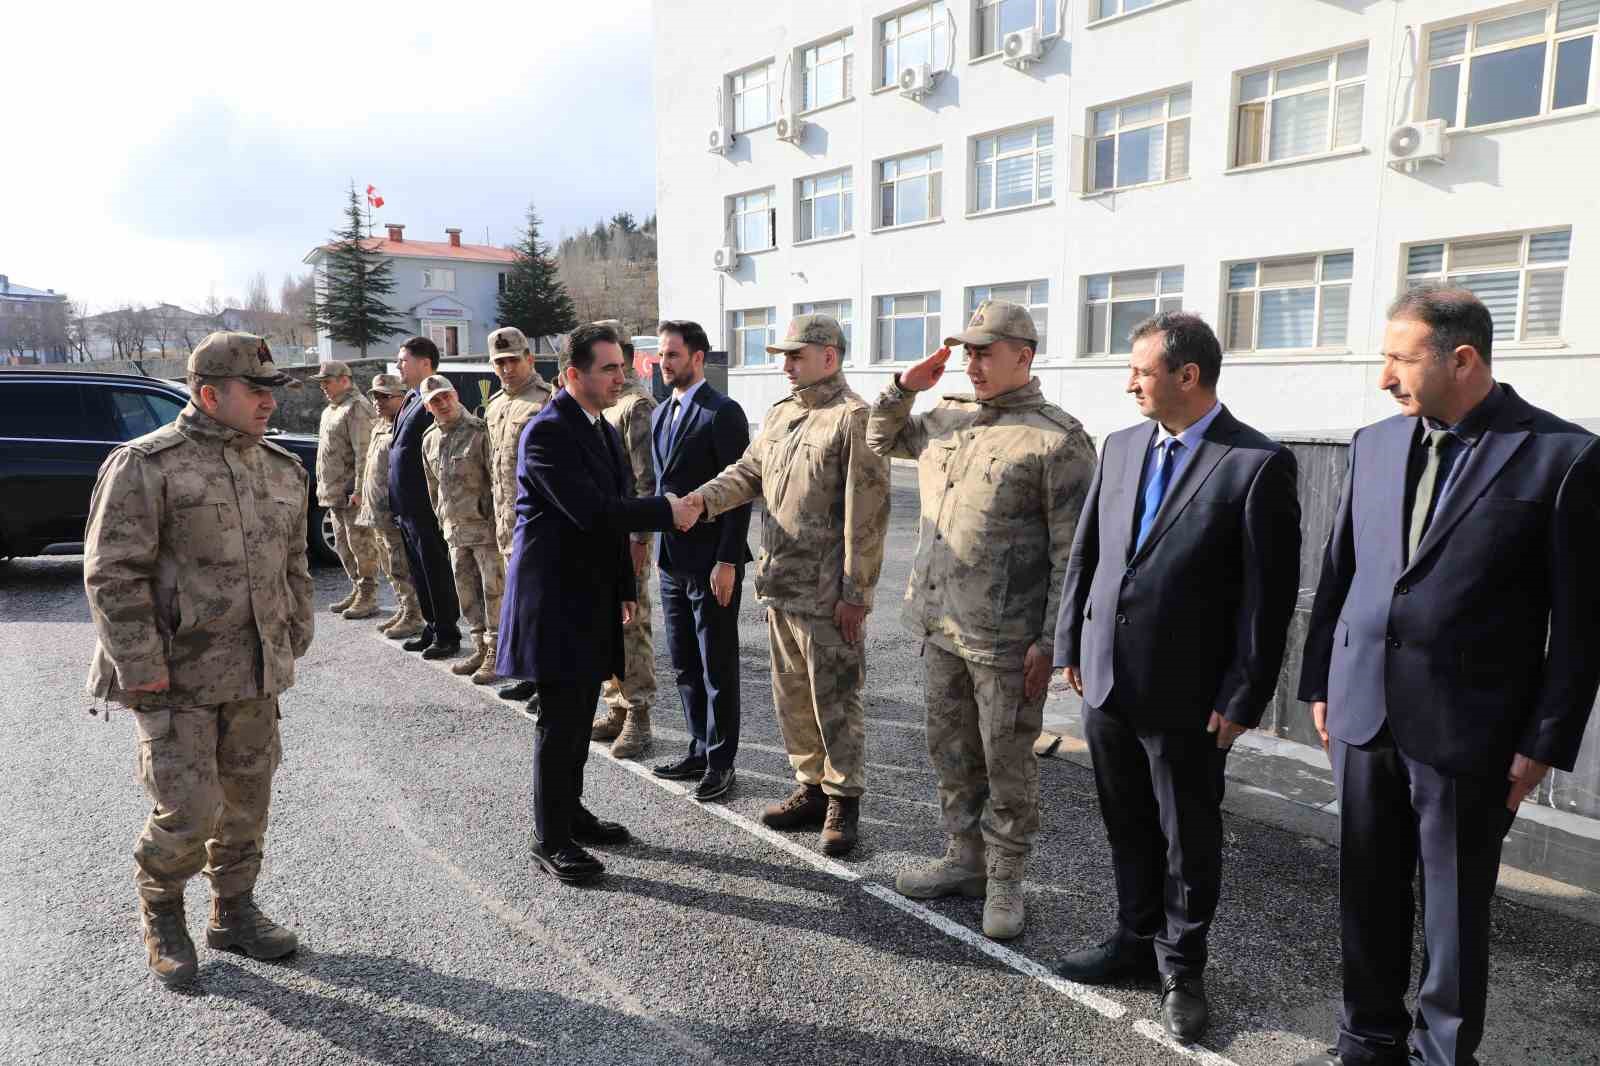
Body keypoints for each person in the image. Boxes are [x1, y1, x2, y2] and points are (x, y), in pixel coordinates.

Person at [1293, 287, 1600, 1066]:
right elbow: (1342, 577)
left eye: (1400, 359)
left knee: (1455, 916)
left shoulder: (1561, 456)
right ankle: (1366, 1042)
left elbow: (1582, 621)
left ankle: (1441, 1056)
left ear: (1460, 359)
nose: (1385, 377)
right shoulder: (1374, 444)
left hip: (1472, 732)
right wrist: (1321, 683)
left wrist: (1545, 741)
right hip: (1363, 713)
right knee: (1365, 892)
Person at [1052, 311, 1301, 1043]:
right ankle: (1132, 941)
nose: (1129, 382)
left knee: (1186, 836)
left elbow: (1268, 597)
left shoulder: (1254, 463)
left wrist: (1245, 693)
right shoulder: (1123, 446)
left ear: (1187, 376)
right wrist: (1072, 638)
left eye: (1141, 369)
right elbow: (1089, 555)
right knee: (1124, 821)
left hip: (1189, 696)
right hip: (1107, 680)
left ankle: (1180, 968)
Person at [82, 331, 314, 988]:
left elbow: (295, 562)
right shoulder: (147, 465)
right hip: (174, 676)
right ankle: (162, 912)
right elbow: (111, 574)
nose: (270, 403)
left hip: (254, 671)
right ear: (210, 394)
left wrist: (295, 627)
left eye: (273, 390)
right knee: (189, 807)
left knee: (246, 800)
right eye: (256, 390)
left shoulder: (281, 468)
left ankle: (233, 913)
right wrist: (141, 665)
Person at [867, 300, 1096, 940]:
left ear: (1023, 355)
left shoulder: (1058, 439)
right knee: (951, 752)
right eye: (966, 351)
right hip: (941, 624)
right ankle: (963, 859)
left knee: (1007, 764)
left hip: (1005, 637)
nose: (971, 362)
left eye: (983, 351)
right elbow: (878, 437)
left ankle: (1006, 879)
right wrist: (905, 387)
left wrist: (1052, 641)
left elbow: (1072, 554)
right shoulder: (947, 419)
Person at [673, 314, 890, 856]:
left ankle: (843, 800)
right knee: (793, 697)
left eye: (796, 355)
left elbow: (867, 517)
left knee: (835, 699)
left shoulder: (853, 418)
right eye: (784, 357)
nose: (786, 366)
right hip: (781, 585)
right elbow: (747, 473)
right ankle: (811, 787)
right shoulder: (781, 415)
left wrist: (855, 594)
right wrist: (702, 500)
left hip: (826, 594)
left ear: (829, 357)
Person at [495, 322, 679, 885]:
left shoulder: (599, 426)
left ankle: (570, 813)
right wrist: (670, 509)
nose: (621, 376)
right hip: (555, 599)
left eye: (623, 366)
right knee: (561, 719)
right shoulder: (547, 431)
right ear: (573, 374)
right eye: (609, 368)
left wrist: (624, 588)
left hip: (591, 593)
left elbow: (614, 511)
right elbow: (594, 512)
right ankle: (550, 837)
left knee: (577, 719)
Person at [647, 319, 752, 801]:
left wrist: (728, 560)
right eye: (661, 356)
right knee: (684, 662)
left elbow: (741, 491)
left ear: (697, 358)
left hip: (712, 561)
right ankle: (696, 746)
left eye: (672, 355)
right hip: (672, 560)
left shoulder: (722, 412)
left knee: (717, 665)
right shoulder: (660, 414)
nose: (664, 364)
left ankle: (721, 761)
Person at [588, 324, 662, 759]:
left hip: (627, 536)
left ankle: (638, 714)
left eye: (613, 363)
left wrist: (638, 541)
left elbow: (645, 482)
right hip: (601, 534)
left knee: (633, 625)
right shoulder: (604, 405)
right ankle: (615, 703)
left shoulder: (636, 407)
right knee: (605, 621)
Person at [481, 326, 556, 716]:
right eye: (500, 362)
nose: (507, 368)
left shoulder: (546, 402)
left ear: (529, 358)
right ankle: (530, 672)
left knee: (542, 607)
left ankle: (549, 682)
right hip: (505, 523)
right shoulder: (495, 406)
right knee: (520, 606)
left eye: (513, 360)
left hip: (537, 526)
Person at [420, 374, 505, 685]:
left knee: (493, 591)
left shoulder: (479, 432)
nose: (442, 404)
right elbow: (433, 488)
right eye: (434, 401)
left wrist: (498, 523)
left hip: (484, 529)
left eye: (445, 397)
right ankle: (480, 647)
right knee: (466, 593)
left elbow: (496, 482)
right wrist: (443, 519)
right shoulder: (429, 439)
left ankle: (497, 652)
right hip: (455, 532)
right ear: (427, 407)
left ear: (455, 395)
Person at [389, 336, 463, 660]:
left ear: (425, 363)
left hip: (425, 503)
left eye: (403, 360)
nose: (398, 365)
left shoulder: (432, 402)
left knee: (435, 568)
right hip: (406, 505)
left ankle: (447, 632)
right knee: (419, 570)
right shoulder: (410, 399)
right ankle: (432, 625)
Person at [353, 373, 424, 639]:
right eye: (375, 396)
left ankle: (414, 615)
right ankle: (403, 608)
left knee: (400, 564)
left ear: (402, 398)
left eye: (385, 396)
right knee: (387, 564)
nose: (378, 401)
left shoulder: (403, 426)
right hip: (377, 511)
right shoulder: (379, 425)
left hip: (394, 511)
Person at [310, 360, 381, 619]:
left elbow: (365, 454)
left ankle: (369, 594)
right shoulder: (332, 409)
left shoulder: (357, 408)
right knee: (342, 544)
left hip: (351, 492)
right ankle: (357, 587)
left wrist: (360, 489)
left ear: (344, 380)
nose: (323, 387)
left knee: (360, 544)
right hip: (334, 492)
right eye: (321, 383)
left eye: (327, 381)